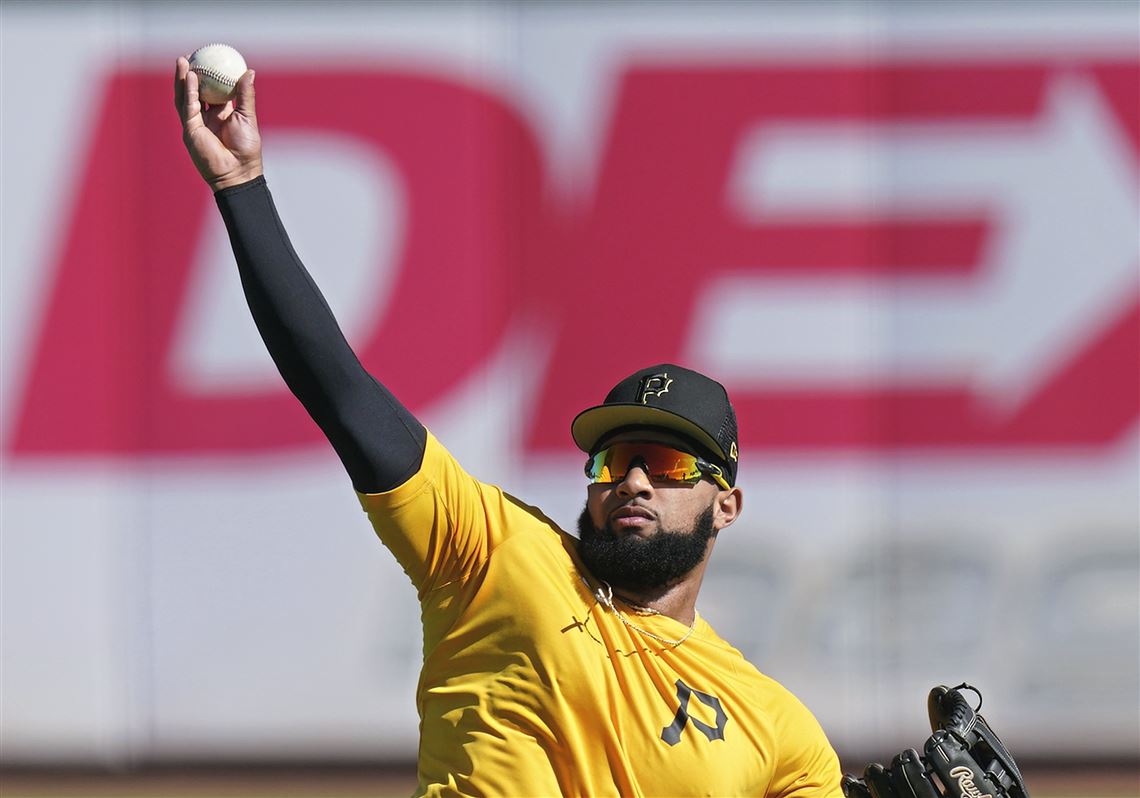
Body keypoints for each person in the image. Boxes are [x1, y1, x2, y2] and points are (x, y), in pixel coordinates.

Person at [173, 56, 844, 797]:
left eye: (669, 463)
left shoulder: (778, 729)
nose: (635, 481)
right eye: (615, 460)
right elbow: (345, 394)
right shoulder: (493, 556)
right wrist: (242, 188)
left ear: (727, 504)